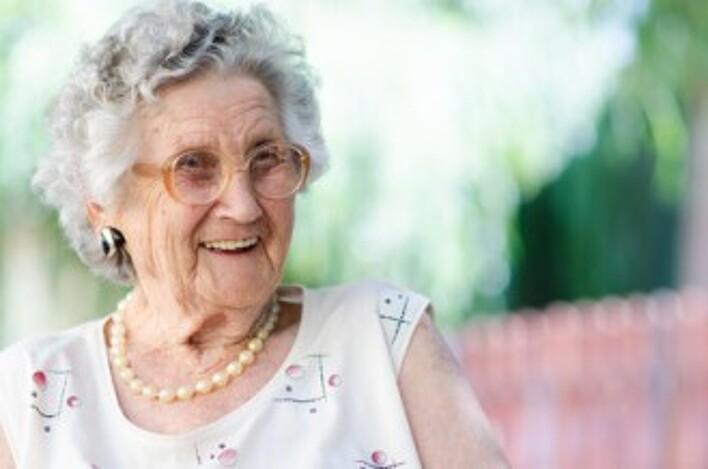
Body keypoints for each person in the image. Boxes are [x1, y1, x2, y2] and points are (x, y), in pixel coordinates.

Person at [0, 1, 508, 467]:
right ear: (104, 206)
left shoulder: (384, 338)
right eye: (194, 166)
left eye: (266, 158)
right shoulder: (26, 399)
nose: (244, 207)